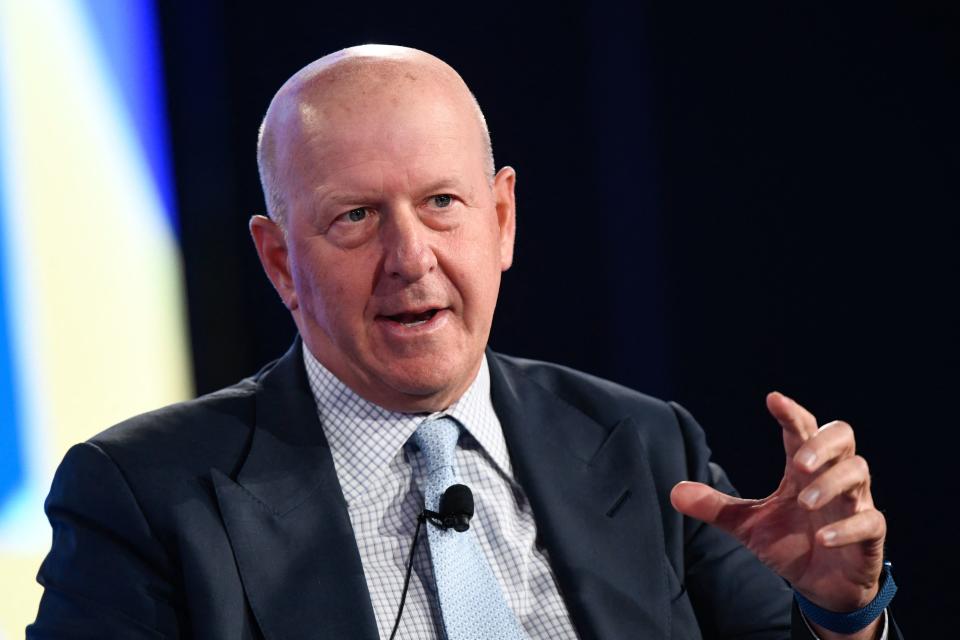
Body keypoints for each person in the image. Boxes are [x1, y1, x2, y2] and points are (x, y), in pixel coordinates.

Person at [29, 45, 900, 639]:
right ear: (279, 261)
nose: (411, 260)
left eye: (442, 203)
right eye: (356, 217)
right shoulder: (146, 498)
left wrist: (842, 616)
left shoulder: (642, 445)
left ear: (502, 218)